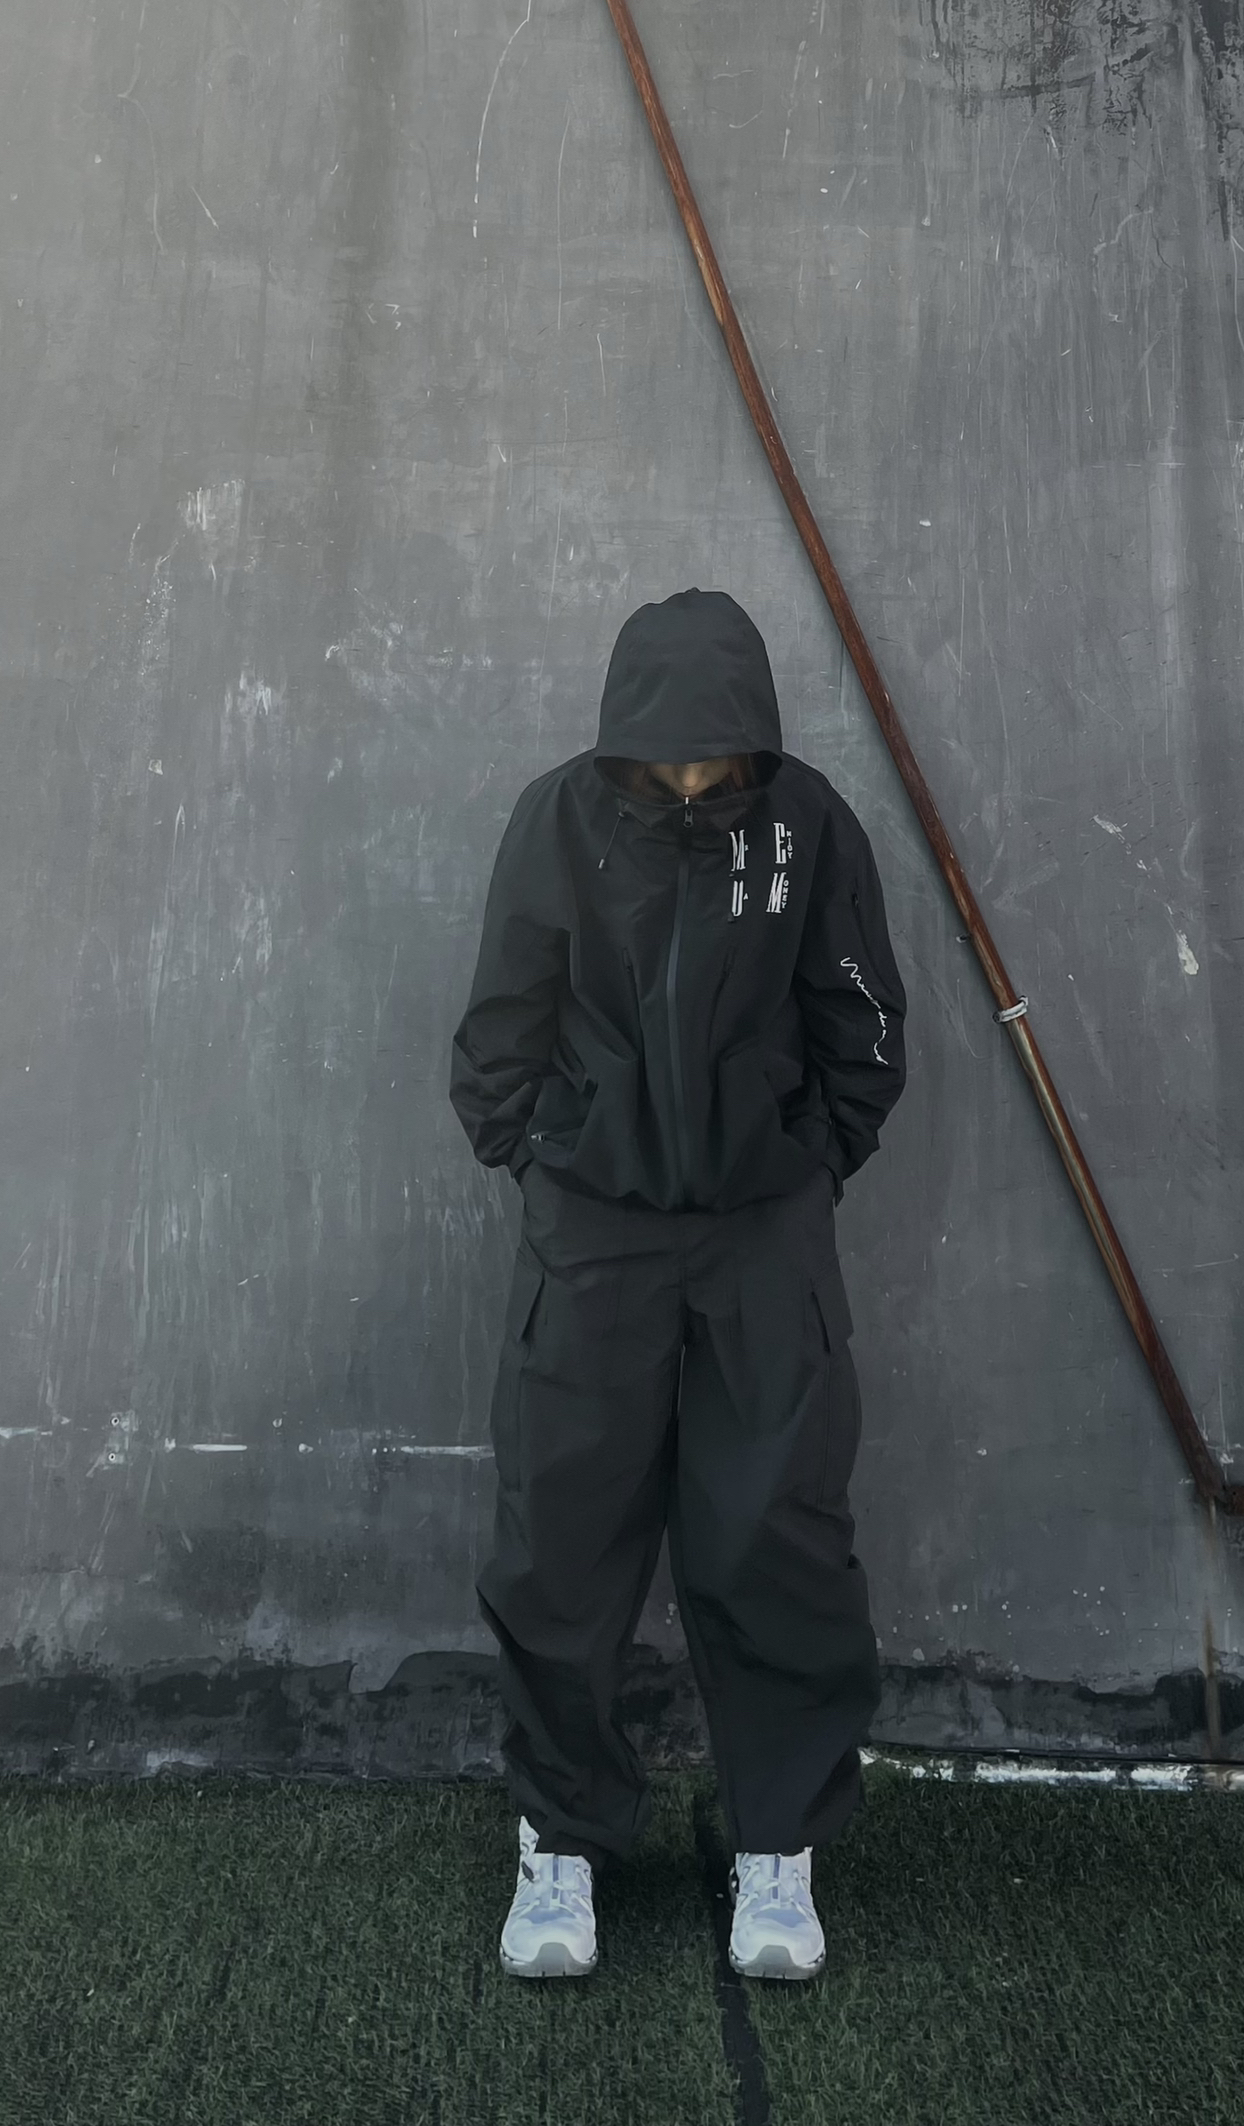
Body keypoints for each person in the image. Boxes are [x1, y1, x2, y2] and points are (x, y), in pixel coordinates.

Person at [450, 587, 908, 1982]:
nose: (697, 777)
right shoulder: (560, 818)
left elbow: (861, 1021)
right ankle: (562, 1844)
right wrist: (543, 1154)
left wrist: (805, 1161)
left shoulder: (809, 824)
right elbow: (503, 1017)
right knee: (560, 1537)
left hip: (762, 1235)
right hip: (594, 1234)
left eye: (719, 754)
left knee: (777, 1536)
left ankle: (779, 1847)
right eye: (671, 756)